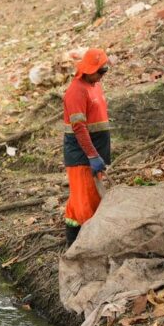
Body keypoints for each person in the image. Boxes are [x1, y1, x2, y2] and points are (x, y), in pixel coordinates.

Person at [62, 48, 112, 247]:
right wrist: (91, 155)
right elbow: (79, 127)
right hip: (82, 155)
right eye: (100, 72)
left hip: (96, 153)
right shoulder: (76, 91)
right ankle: (82, 245)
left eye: (105, 71)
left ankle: (74, 242)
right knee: (85, 203)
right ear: (88, 70)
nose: (102, 76)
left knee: (82, 200)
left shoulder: (94, 85)